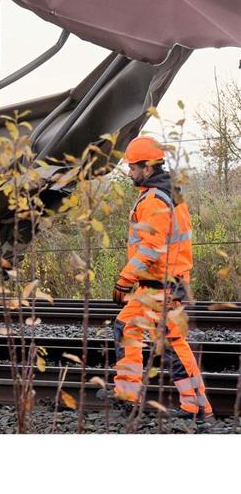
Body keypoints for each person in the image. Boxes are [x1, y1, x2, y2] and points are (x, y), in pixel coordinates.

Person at [107, 135, 213, 420]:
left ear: (148, 167)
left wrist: (124, 278)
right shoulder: (165, 191)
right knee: (125, 326)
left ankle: (197, 408)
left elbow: (152, 247)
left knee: (172, 344)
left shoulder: (155, 199)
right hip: (152, 285)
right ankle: (127, 394)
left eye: (133, 167)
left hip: (162, 286)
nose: (129, 172)